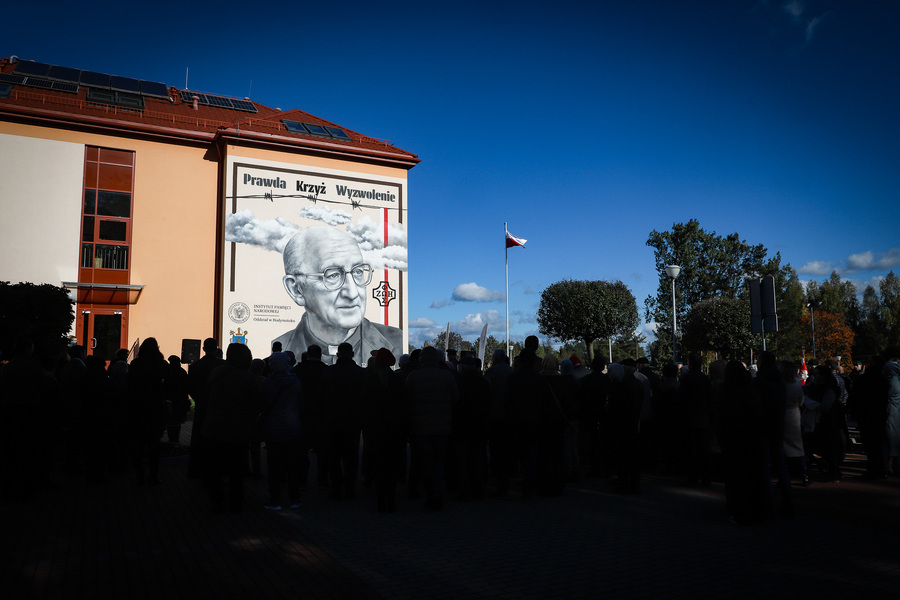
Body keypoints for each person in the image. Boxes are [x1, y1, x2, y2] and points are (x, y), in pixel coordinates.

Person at [273, 226, 402, 366]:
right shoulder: (279, 346)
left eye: (358, 271)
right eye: (333, 275)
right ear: (296, 289)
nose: (352, 293)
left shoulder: (397, 342)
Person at [202, 343, 261, 512]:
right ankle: (235, 503)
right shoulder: (245, 377)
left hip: (214, 428)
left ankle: (216, 502)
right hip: (237, 430)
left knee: (216, 469)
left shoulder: (216, 373)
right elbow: (255, 402)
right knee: (237, 470)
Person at [406, 346, 458, 509]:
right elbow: (456, 398)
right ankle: (437, 492)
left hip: (420, 428)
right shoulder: (446, 376)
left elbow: (406, 402)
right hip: (442, 427)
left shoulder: (413, 377)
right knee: (439, 460)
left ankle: (429, 493)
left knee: (425, 461)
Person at [320, 342, 366, 500]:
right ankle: (350, 489)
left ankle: (336, 488)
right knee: (351, 458)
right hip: (353, 421)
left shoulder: (328, 372)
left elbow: (322, 397)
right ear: (352, 354)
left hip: (332, 420)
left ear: (338, 355)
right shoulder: (360, 373)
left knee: (333, 458)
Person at [259, 352, 304, 510]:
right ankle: (295, 499)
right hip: (293, 429)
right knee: (292, 467)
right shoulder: (296, 382)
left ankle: (275, 500)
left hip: (273, 430)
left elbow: (262, 404)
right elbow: (301, 404)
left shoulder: (267, 383)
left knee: (274, 468)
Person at [127, 338, 170, 486]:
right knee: (154, 445)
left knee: (138, 445)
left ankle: (139, 476)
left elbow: (130, 386)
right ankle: (153, 475)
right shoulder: (161, 364)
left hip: (138, 408)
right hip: (155, 408)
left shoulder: (135, 364)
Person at [187, 338, 225, 479]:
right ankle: (217, 471)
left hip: (202, 406)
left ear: (203, 349)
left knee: (199, 440)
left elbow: (190, 386)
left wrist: (198, 398)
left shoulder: (196, 365)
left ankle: (198, 470)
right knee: (217, 442)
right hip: (218, 408)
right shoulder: (223, 365)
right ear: (216, 349)